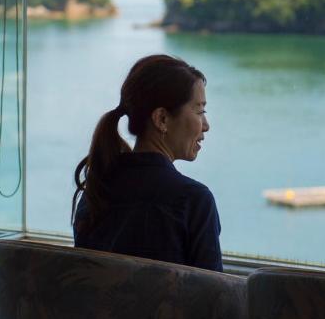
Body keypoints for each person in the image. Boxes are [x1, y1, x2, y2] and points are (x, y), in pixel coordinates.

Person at [72, 54, 222, 271]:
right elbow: (214, 299)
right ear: (162, 119)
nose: (206, 125)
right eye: (200, 111)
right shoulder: (194, 201)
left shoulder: (95, 193)